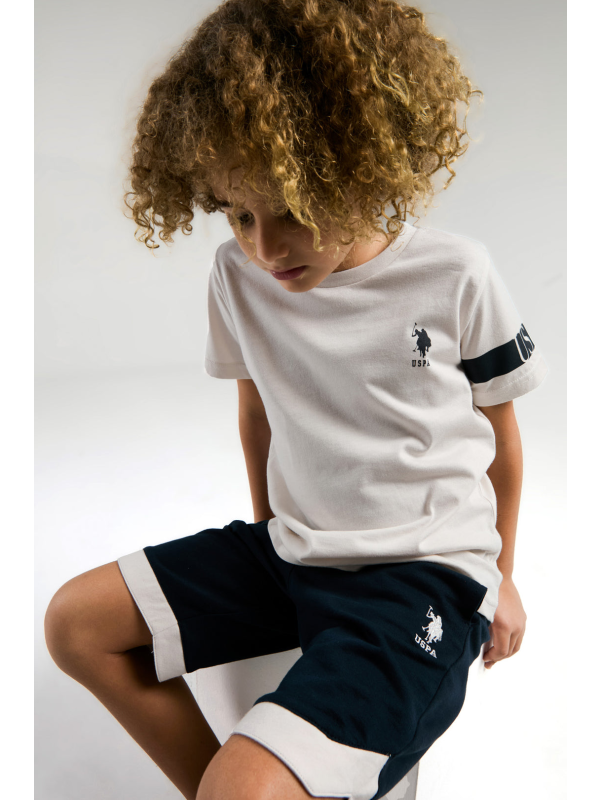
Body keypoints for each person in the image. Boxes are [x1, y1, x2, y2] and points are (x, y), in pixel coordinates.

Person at [44, 2, 548, 799]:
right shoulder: (238, 276)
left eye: (291, 211)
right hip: (297, 551)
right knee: (76, 625)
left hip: (425, 579)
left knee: (241, 788)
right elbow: (259, 417)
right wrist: (269, 538)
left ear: (362, 166)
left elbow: (505, 445)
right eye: (238, 214)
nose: (266, 247)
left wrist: (502, 579)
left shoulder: (456, 275)